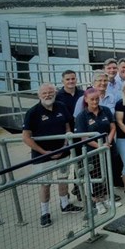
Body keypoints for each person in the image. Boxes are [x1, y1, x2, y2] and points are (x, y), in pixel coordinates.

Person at [22, 83, 82, 227]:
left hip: (62, 152)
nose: (48, 95)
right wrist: (45, 152)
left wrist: (64, 146)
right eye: (45, 93)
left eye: (50, 92)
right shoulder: (33, 112)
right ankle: (45, 213)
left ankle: (65, 205)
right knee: (45, 184)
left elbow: (67, 126)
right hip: (43, 156)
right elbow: (26, 137)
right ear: (39, 95)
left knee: (63, 180)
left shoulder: (61, 106)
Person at [75, 87, 118, 214]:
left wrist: (108, 142)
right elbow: (83, 137)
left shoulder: (105, 110)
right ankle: (97, 201)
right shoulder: (81, 116)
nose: (95, 102)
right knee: (96, 176)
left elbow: (112, 127)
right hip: (92, 151)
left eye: (97, 99)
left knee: (109, 172)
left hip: (108, 147)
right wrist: (99, 146)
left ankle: (107, 198)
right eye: (92, 99)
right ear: (86, 100)